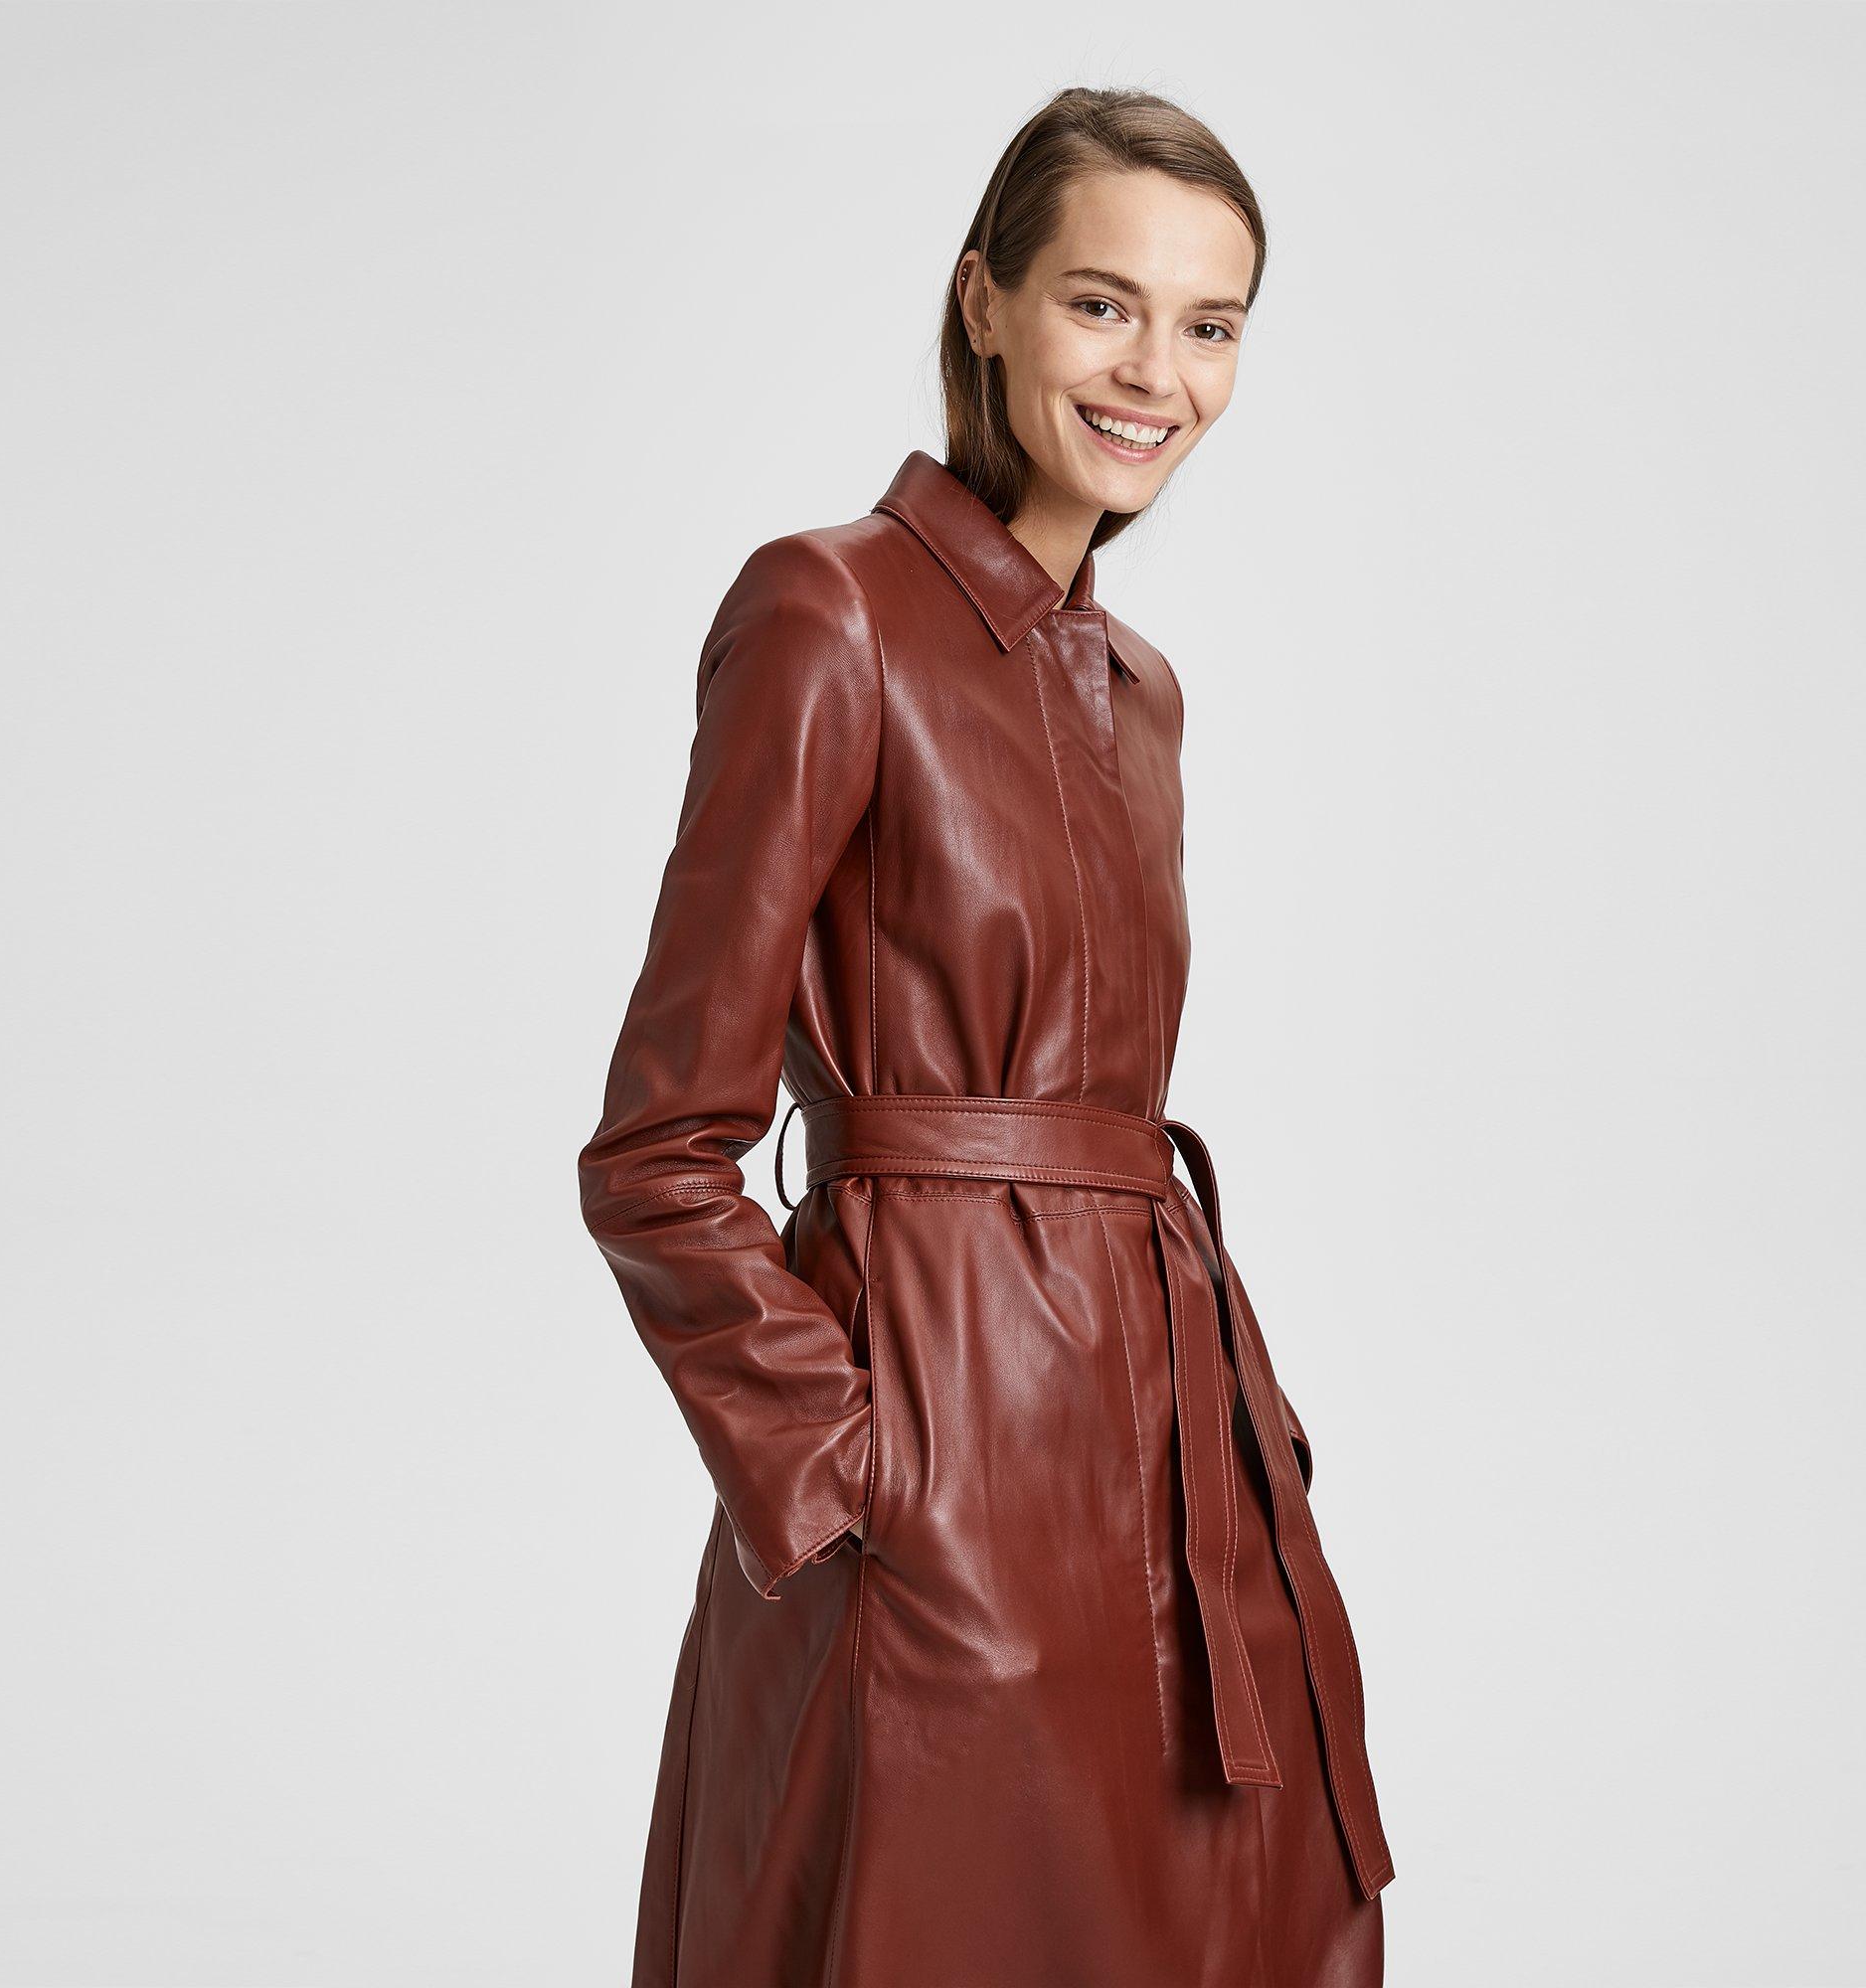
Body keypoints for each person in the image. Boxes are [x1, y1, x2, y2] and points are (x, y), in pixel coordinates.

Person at [577, 83, 1397, 1988]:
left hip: (1176, 1479)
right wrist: (849, 1474)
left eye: (1210, 324)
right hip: (933, 1464)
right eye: (1104, 304)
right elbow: (658, 1151)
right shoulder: (827, 609)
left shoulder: (1143, 693)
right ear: (985, 302)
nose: (1158, 374)